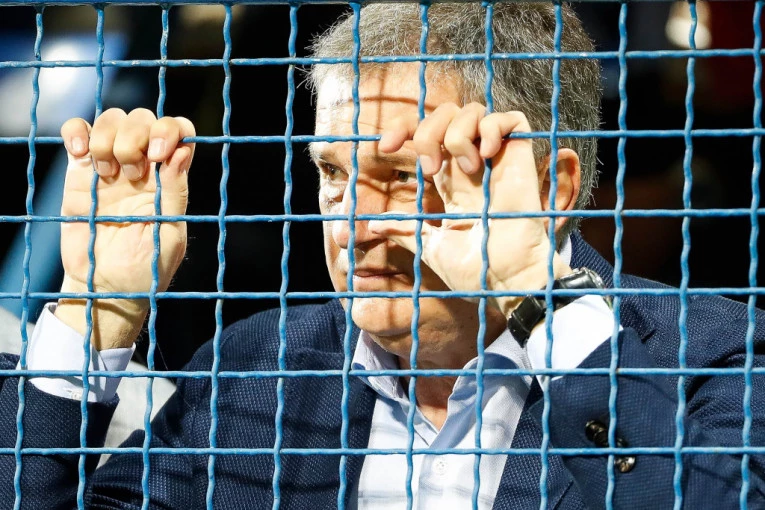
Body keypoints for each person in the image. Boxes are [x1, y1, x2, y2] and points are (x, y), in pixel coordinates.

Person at [1, 3, 764, 508]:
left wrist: (536, 294)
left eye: (402, 177)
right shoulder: (255, 368)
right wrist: (96, 310)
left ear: (551, 187)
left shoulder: (717, 357)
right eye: (333, 174)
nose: (354, 224)